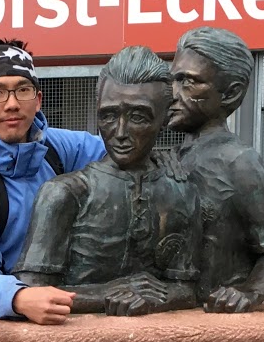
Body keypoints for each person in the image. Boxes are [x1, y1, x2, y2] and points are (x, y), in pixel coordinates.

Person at [0, 36, 106, 325]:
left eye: (23, 90)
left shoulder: (55, 146)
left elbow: (118, 151)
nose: (12, 104)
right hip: (14, 315)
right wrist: (19, 298)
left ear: (38, 100)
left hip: (68, 294)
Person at [15, 46, 198, 315]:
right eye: (109, 115)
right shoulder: (63, 193)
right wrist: (109, 293)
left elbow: (188, 288)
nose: (120, 132)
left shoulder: (181, 191)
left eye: (138, 117)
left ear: (164, 119)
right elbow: (32, 291)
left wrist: (158, 298)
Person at [169, 26, 264, 312]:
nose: (173, 94)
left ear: (230, 93)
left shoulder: (239, 161)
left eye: (188, 82)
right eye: (173, 81)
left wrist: (248, 292)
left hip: (213, 317)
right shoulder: (173, 157)